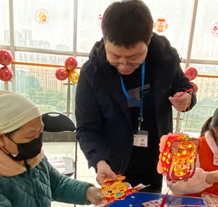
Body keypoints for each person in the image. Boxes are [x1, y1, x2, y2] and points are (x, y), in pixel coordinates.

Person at [75, 0, 196, 192]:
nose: (124, 65)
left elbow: (185, 88)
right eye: (115, 57)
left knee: (150, 205)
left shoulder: (165, 60)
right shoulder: (93, 73)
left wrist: (186, 99)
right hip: (113, 162)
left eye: (133, 58)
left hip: (155, 158)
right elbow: (87, 127)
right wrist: (99, 161)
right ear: (104, 39)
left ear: (148, 39)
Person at [0, 90, 117, 207]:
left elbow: (55, 184)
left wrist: (89, 193)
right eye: (30, 136)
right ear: (0, 139)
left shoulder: (30, 156)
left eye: (40, 132)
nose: (37, 141)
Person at [166, 104, 218, 198]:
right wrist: (208, 178)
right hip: (187, 205)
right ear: (216, 129)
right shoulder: (189, 148)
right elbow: (175, 183)